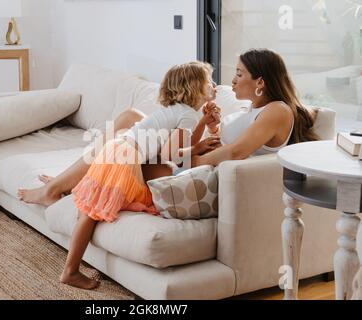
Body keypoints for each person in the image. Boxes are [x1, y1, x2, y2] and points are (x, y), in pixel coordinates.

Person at [18, 61, 218, 289]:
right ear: (194, 87)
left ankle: (73, 240)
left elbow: (179, 143)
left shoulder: (180, 112)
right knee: (91, 214)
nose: (214, 84)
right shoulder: (187, 114)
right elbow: (171, 153)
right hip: (124, 157)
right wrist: (199, 149)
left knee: (93, 208)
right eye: (208, 80)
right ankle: (70, 271)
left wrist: (202, 124)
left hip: (118, 150)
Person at [187, 48, 319, 166]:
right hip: (210, 165)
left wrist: (194, 161)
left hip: (217, 172)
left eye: (239, 74)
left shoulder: (277, 110)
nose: (233, 80)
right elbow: (232, 143)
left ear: (260, 82)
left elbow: (236, 152)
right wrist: (213, 129)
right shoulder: (254, 109)